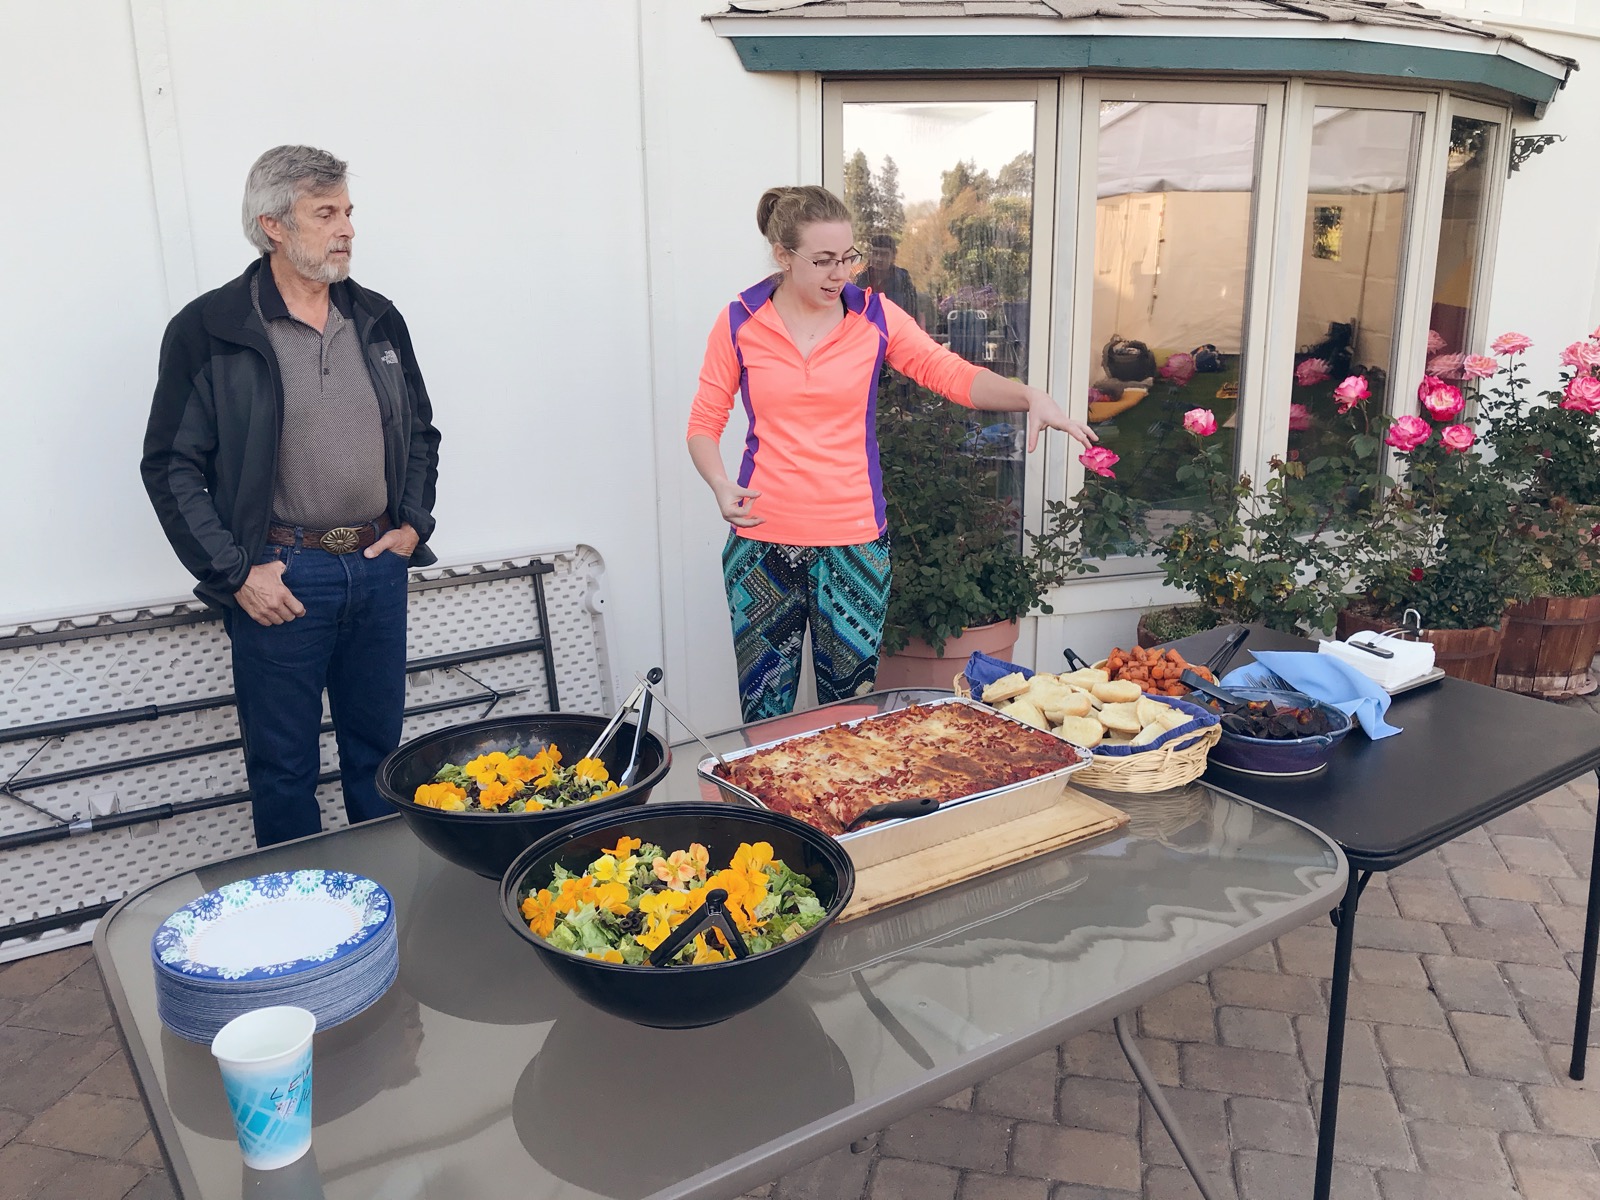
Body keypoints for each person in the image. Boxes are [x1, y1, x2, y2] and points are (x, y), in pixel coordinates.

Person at [687, 185, 1095, 722]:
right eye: (824, 260)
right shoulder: (740, 319)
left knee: (851, 714)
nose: (842, 273)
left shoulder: (874, 317)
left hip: (854, 543)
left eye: (848, 257)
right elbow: (704, 420)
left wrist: (1028, 397)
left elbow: (948, 373)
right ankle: (768, 810)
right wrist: (720, 483)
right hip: (761, 542)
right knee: (766, 713)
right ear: (784, 257)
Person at [141, 145, 441, 847]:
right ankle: (305, 937)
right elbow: (170, 465)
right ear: (274, 224)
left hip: (375, 565)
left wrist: (411, 526)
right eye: (325, 213)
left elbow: (420, 431)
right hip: (282, 577)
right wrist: (236, 572)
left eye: (348, 212)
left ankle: (388, 911)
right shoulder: (211, 329)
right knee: (283, 771)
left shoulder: (377, 318)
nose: (346, 229)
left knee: (381, 760)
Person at [862, 233, 918, 321]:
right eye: (875, 253)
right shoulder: (862, 278)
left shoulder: (903, 280)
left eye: (884, 254)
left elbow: (910, 312)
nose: (879, 259)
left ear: (893, 256)